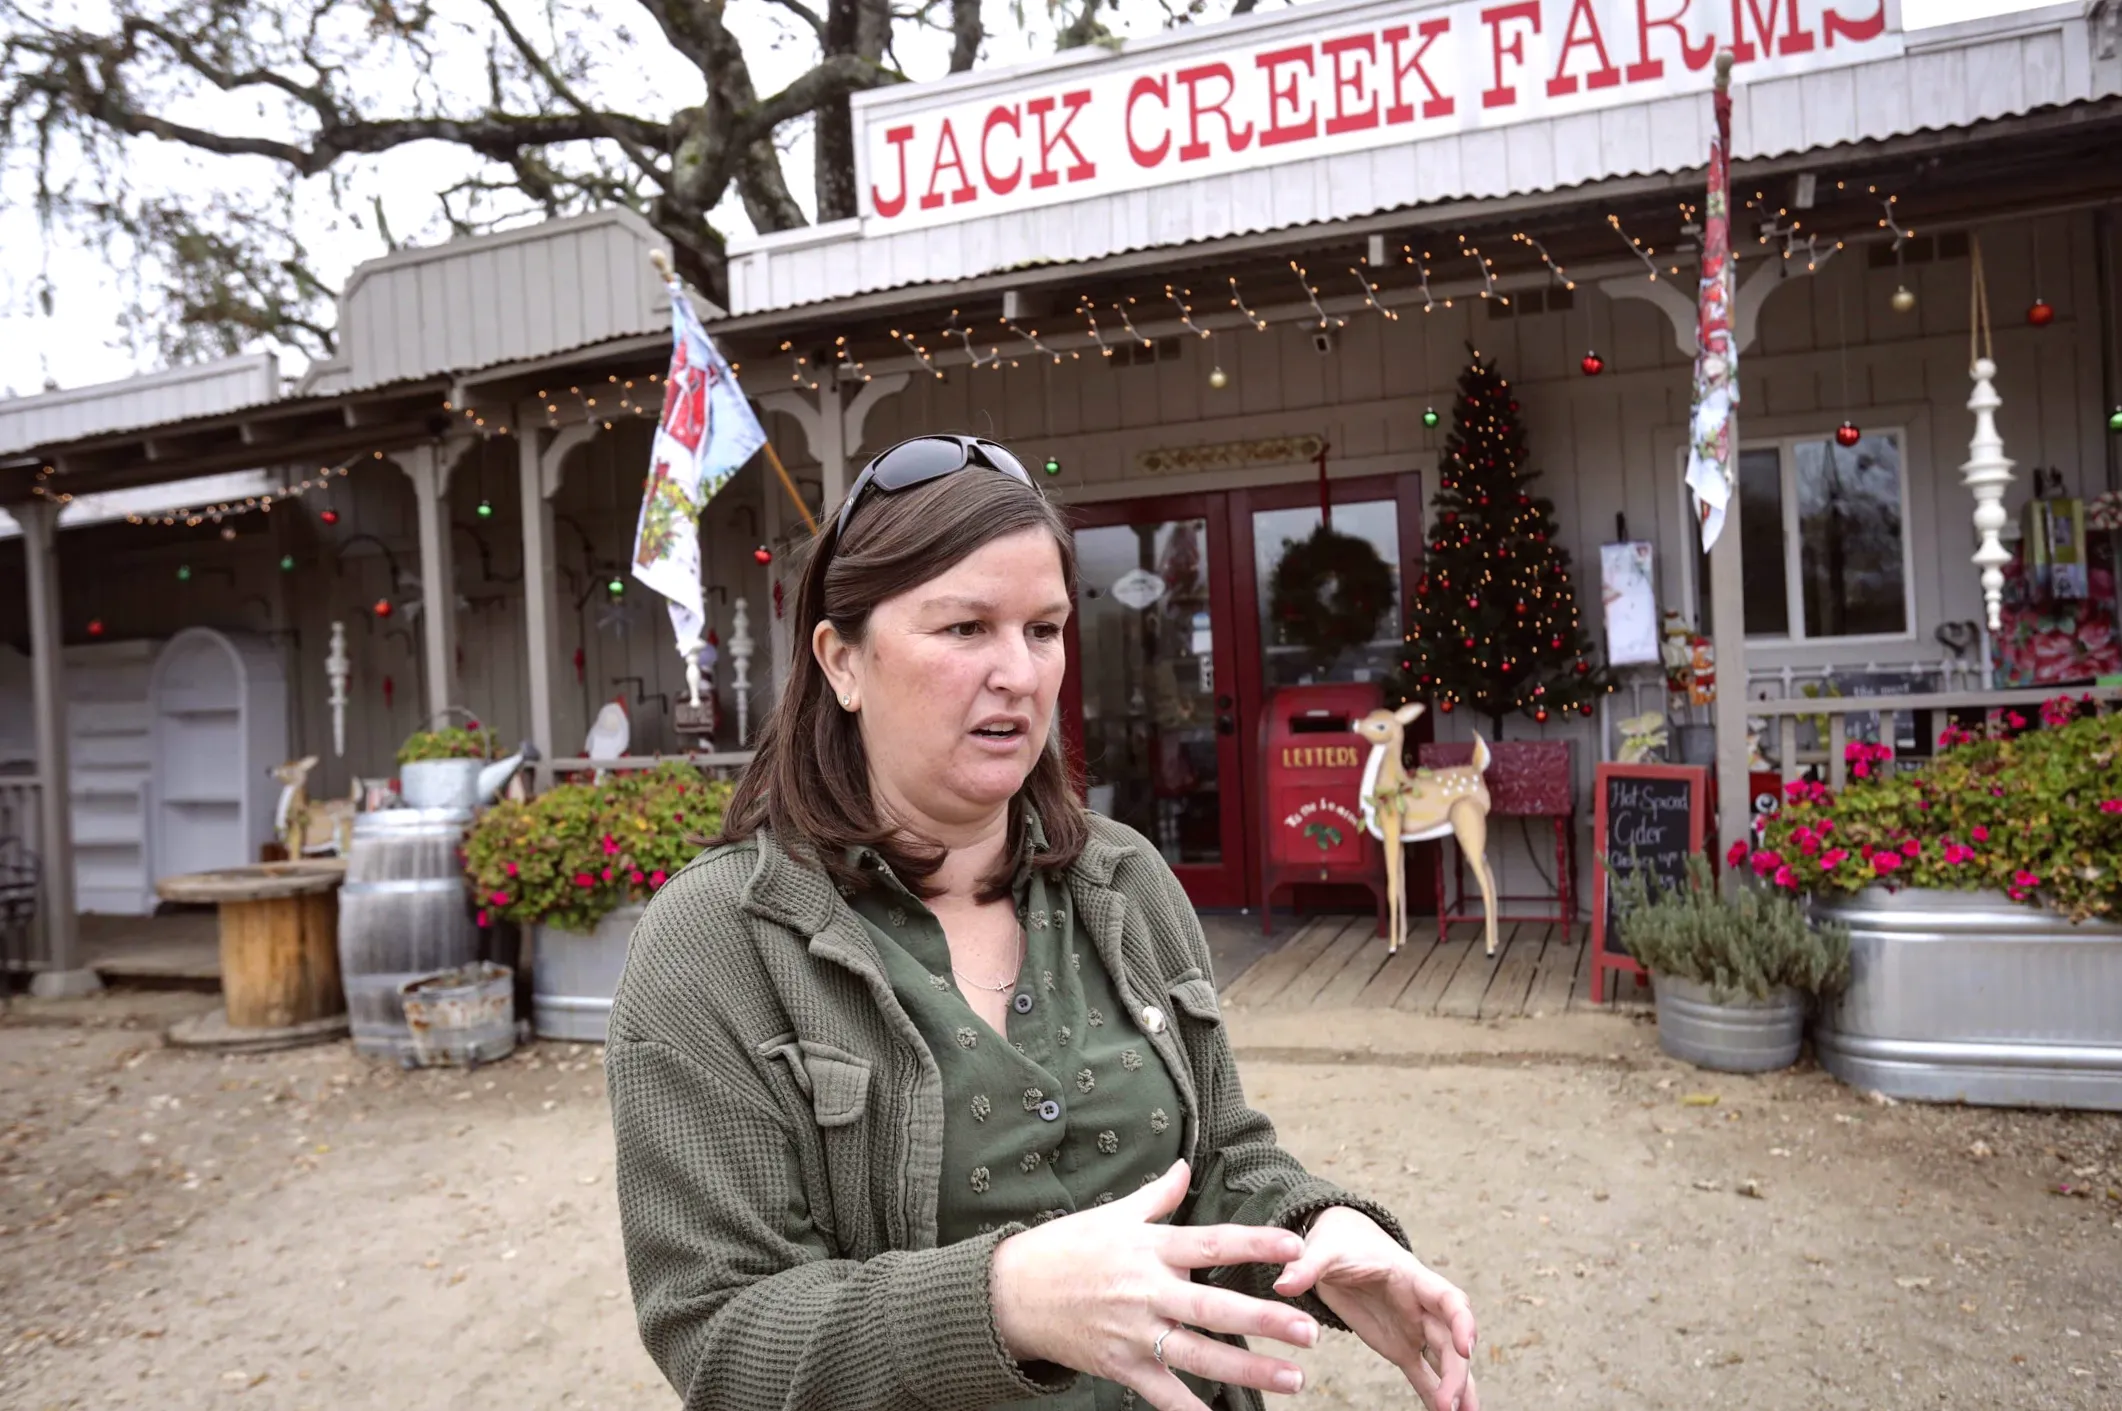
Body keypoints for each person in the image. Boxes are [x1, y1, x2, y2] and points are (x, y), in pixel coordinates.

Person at [607, 434, 1479, 1411]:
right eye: (966, 628)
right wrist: (1001, 1300)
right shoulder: (718, 945)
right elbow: (721, 1337)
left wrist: (1318, 1232)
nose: (1019, 674)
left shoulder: (1125, 882)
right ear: (841, 661)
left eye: (1045, 629)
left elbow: (1222, 1152)